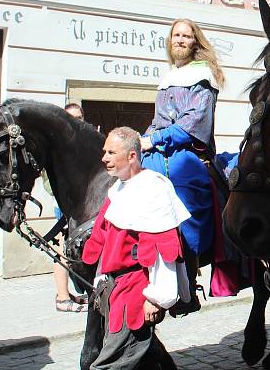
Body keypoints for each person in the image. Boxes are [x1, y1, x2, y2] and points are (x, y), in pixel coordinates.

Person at [83, 127, 191, 369]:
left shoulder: (153, 188)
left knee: (110, 365)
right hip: (114, 290)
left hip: (133, 292)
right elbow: (106, 240)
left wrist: (156, 297)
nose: (104, 158)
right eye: (104, 151)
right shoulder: (118, 188)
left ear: (132, 156)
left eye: (111, 152)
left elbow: (164, 249)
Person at [140, 18, 227, 314]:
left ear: (195, 42)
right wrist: (139, 141)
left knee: (184, 190)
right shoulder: (168, 77)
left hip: (188, 152)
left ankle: (187, 280)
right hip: (159, 150)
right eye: (176, 35)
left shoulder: (203, 77)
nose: (180, 39)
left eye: (186, 36)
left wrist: (156, 140)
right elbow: (156, 121)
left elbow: (194, 122)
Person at [50, 103, 88, 312]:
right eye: (71, 117)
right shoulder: (59, 145)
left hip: (82, 204)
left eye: (79, 117)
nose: (76, 120)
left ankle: (72, 292)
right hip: (65, 204)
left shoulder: (81, 141)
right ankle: (62, 297)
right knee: (61, 249)